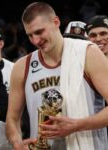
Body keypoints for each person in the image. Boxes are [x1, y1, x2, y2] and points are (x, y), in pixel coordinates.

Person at [6, 2, 108, 150]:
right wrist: (17, 143)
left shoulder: (87, 53)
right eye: (30, 35)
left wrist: (77, 125)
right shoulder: (22, 66)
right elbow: (12, 119)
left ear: (56, 22)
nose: (35, 40)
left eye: (40, 32)